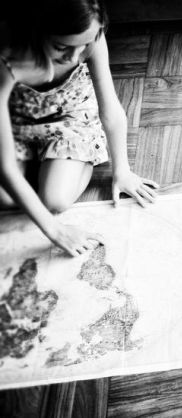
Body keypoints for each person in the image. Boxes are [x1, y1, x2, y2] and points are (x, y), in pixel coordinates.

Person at [0, 0, 159, 257]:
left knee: (56, 200)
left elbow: (110, 109)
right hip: (16, 121)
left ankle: (60, 166)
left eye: (83, 45)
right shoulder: (8, 59)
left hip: (70, 117)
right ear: (37, 30)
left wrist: (122, 170)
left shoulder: (92, 37)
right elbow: (4, 165)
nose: (74, 57)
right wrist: (56, 232)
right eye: (61, 47)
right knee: (5, 200)